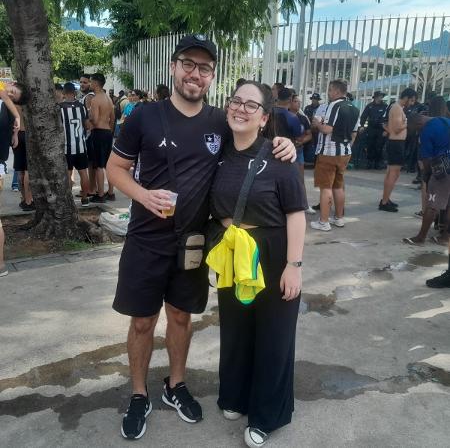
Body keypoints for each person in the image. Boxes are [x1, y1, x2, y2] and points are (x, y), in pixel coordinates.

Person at [105, 34, 296, 441]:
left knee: (180, 316)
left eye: (204, 68)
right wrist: (142, 194)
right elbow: (114, 168)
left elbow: (251, 142)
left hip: (192, 242)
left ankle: (176, 385)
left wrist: (283, 143)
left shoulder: (218, 121)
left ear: (211, 77)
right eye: (188, 65)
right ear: (173, 67)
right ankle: (139, 394)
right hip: (144, 239)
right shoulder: (142, 116)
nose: (195, 74)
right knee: (142, 322)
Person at [208, 80, 307, 448]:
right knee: (235, 328)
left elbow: (296, 215)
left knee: (274, 337)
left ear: (265, 118)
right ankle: (234, 394)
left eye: (252, 106)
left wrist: (293, 265)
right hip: (235, 251)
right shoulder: (217, 155)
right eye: (236, 101)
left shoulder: (279, 159)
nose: (241, 109)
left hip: (274, 252)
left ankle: (267, 415)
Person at [310, 79, 359, 231]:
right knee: (338, 186)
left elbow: (327, 129)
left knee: (326, 188)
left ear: (337, 91)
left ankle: (323, 221)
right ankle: (339, 218)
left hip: (328, 152)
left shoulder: (334, 105)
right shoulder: (354, 108)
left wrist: (317, 123)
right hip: (344, 152)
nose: (328, 93)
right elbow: (354, 133)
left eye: (330, 90)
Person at [403, 102, 450, 246]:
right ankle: (445, 237)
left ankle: (420, 238)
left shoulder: (426, 131)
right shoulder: (445, 120)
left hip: (444, 169)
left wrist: (427, 176)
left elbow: (427, 161)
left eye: (414, 130)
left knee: (431, 204)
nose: (416, 133)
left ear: (417, 124)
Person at [0, 82, 29, 277]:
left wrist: (16, 120)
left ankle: (1, 264)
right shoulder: (11, 114)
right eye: (11, 91)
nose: (9, 94)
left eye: (14, 95)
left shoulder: (9, 115)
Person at [379, 87, 417, 212]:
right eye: (411, 101)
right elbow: (396, 128)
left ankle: (386, 198)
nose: (412, 103)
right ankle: (384, 202)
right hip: (396, 143)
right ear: (406, 98)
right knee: (393, 173)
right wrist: (409, 123)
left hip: (397, 143)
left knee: (392, 173)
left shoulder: (399, 108)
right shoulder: (396, 108)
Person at [60, 82, 91, 206]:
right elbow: (87, 125)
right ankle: (85, 199)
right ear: (74, 92)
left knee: (67, 173)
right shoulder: (81, 106)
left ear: (63, 92)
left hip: (66, 147)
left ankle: (68, 200)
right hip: (81, 146)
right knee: (83, 173)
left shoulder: (60, 108)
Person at [89, 72, 115, 203]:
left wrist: (88, 118)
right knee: (108, 165)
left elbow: (94, 119)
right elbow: (113, 118)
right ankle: (110, 192)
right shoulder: (108, 98)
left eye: (90, 81)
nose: (89, 84)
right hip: (107, 133)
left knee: (99, 165)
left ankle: (100, 195)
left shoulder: (95, 99)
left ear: (95, 83)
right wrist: (110, 130)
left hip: (98, 132)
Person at [12, 105, 34, 211]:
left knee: (20, 171)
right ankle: (29, 201)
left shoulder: (11, 103)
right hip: (27, 134)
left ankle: (24, 199)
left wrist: (14, 135)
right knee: (28, 170)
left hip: (16, 135)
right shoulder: (26, 101)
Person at [359, 91, 387, 169]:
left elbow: (387, 118)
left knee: (379, 146)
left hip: (381, 129)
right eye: (379, 96)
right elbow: (364, 116)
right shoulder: (370, 106)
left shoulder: (385, 106)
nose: (380, 98)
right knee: (370, 145)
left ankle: (377, 163)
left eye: (381, 96)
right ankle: (369, 162)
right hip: (371, 128)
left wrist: (387, 130)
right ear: (375, 97)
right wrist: (361, 125)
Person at [79, 73, 96, 196]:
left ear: (90, 84)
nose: (82, 84)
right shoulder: (87, 96)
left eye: (85, 82)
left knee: (90, 163)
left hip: (89, 135)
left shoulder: (89, 97)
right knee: (91, 163)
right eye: (81, 82)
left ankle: (91, 189)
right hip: (89, 134)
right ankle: (91, 188)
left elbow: (90, 117)